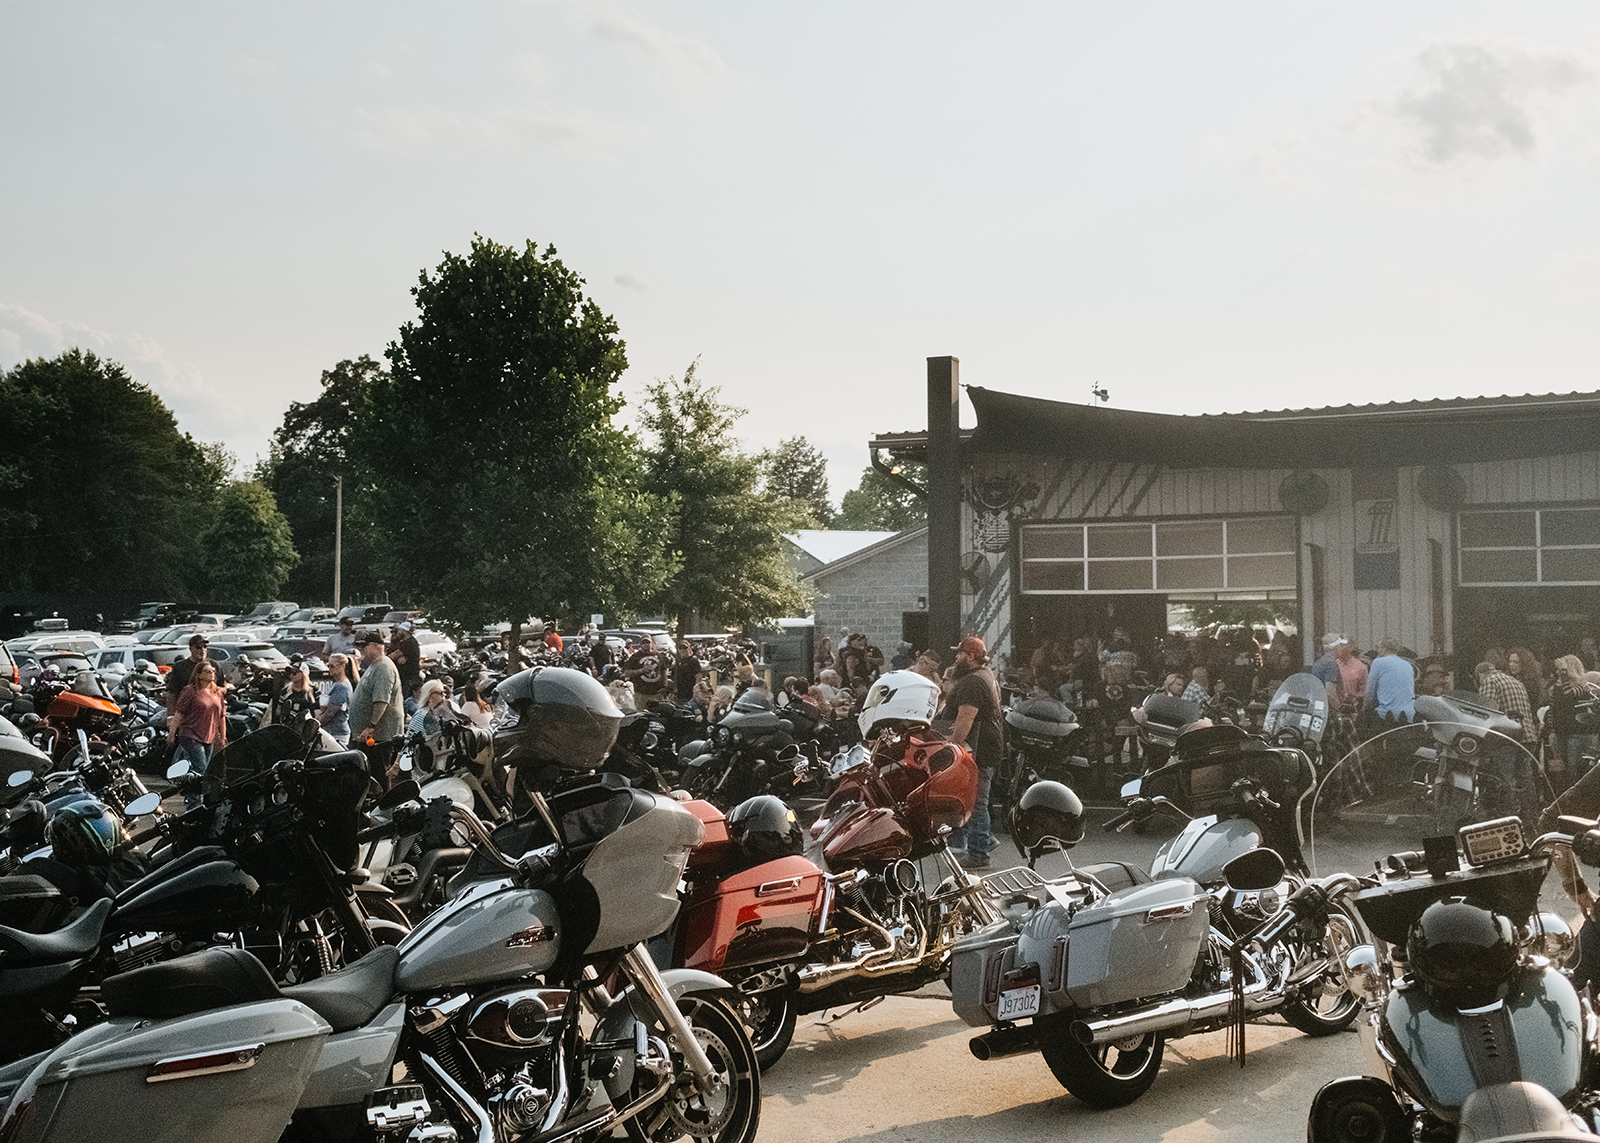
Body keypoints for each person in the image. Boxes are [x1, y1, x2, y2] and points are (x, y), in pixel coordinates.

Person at [942, 636, 1003, 870]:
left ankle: (978, 854)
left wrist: (954, 746)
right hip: (987, 746)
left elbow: (965, 717)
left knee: (976, 803)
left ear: (970, 656)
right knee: (980, 799)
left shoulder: (972, 682)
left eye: (959, 654)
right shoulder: (985, 675)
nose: (956, 657)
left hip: (979, 749)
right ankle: (986, 840)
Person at [169, 659, 226, 806]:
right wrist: (171, 732)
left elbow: (221, 717)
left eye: (213, 671)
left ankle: (201, 802)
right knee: (199, 769)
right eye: (208, 671)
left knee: (205, 772)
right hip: (191, 735)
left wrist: (222, 737)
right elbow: (179, 713)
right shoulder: (190, 691)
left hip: (209, 737)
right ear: (199, 675)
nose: (212, 673)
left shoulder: (217, 693)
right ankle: (193, 804)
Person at [351, 630, 405, 776]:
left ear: (376, 646)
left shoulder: (383, 667)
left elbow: (381, 701)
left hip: (379, 737)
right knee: (369, 775)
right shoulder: (374, 666)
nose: (361, 650)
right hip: (370, 737)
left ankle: (384, 799)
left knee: (379, 774)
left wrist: (371, 726)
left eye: (364, 647)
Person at [1545, 655, 1596, 788]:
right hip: (1561, 733)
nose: (1558, 673)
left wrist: (1564, 673)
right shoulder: (1556, 687)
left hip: (1577, 734)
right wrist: (1551, 731)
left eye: (1561, 670)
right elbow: (1552, 709)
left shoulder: (1583, 687)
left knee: (1574, 773)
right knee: (1563, 773)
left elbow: (1569, 695)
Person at [1474, 660, 1536, 747]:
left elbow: (1486, 712)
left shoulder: (1489, 681)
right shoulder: (1517, 682)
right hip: (1529, 736)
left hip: (1508, 739)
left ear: (1480, 675)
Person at [1362, 636, 1415, 724]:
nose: (1377, 652)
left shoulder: (1378, 662)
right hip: (1409, 714)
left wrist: (1365, 707)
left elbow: (1370, 691)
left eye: (1378, 648)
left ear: (1384, 649)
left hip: (1387, 715)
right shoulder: (1408, 665)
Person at [320, 653, 357, 747]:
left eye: (332, 666)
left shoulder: (342, 686)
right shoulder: (337, 683)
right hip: (333, 731)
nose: (329, 668)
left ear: (342, 666)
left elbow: (331, 712)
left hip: (337, 733)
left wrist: (318, 723)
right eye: (328, 665)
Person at [165, 633, 210, 709]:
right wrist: (171, 716)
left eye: (205, 647)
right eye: (198, 647)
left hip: (209, 711)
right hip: (187, 711)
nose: (202, 650)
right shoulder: (179, 667)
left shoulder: (214, 666)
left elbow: (222, 689)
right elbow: (172, 694)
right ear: (191, 649)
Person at [389, 622, 424, 714]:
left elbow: (391, 657)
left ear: (405, 631)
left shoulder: (409, 643)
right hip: (405, 677)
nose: (397, 632)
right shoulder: (404, 643)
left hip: (409, 678)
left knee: (406, 701)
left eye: (400, 630)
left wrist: (395, 657)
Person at [622, 640, 669, 704]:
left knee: (657, 713)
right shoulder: (635, 657)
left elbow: (664, 671)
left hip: (656, 693)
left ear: (652, 644)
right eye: (643, 643)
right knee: (641, 712)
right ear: (640, 644)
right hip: (641, 693)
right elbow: (626, 673)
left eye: (648, 642)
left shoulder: (659, 656)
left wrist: (664, 686)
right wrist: (641, 670)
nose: (646, 644)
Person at [1507, 647, 1546, 711]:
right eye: (1510, 661)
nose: (1511, 665)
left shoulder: (1531, 684)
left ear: (1524, 664)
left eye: (1516, 662)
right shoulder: (1512, 679)